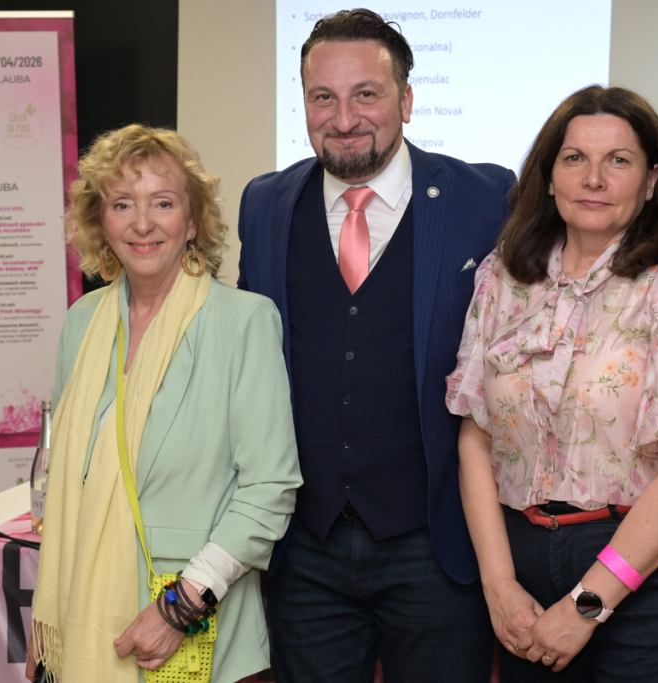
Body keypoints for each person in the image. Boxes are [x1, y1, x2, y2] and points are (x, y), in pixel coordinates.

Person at [447, 85, 658, 682]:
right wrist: (499, 586)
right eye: (575, 158)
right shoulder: (502, 278)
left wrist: (588, 603)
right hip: (524, 569)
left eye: (619, 160)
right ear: (548, 177)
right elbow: (476, 437)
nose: (594, 178)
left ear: (652, 181)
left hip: (654, 573)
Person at [237, 9, 515, 683]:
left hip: (436, 542)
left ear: (406, 101)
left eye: (366, 94)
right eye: (322, 97)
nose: (343, 118)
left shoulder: (486, 199)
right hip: (306, 547)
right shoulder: (266, 204)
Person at [28, 124, 302, 683]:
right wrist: (48, 618)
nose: (142, 223)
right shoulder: (81, 322)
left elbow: (269, 488)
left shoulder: (243, 321)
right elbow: (63, 476)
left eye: (163, 203)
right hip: (83, 620)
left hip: (195, 625)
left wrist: (180, 607)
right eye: (122, 204)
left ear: (193, 221)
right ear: (100, 221)